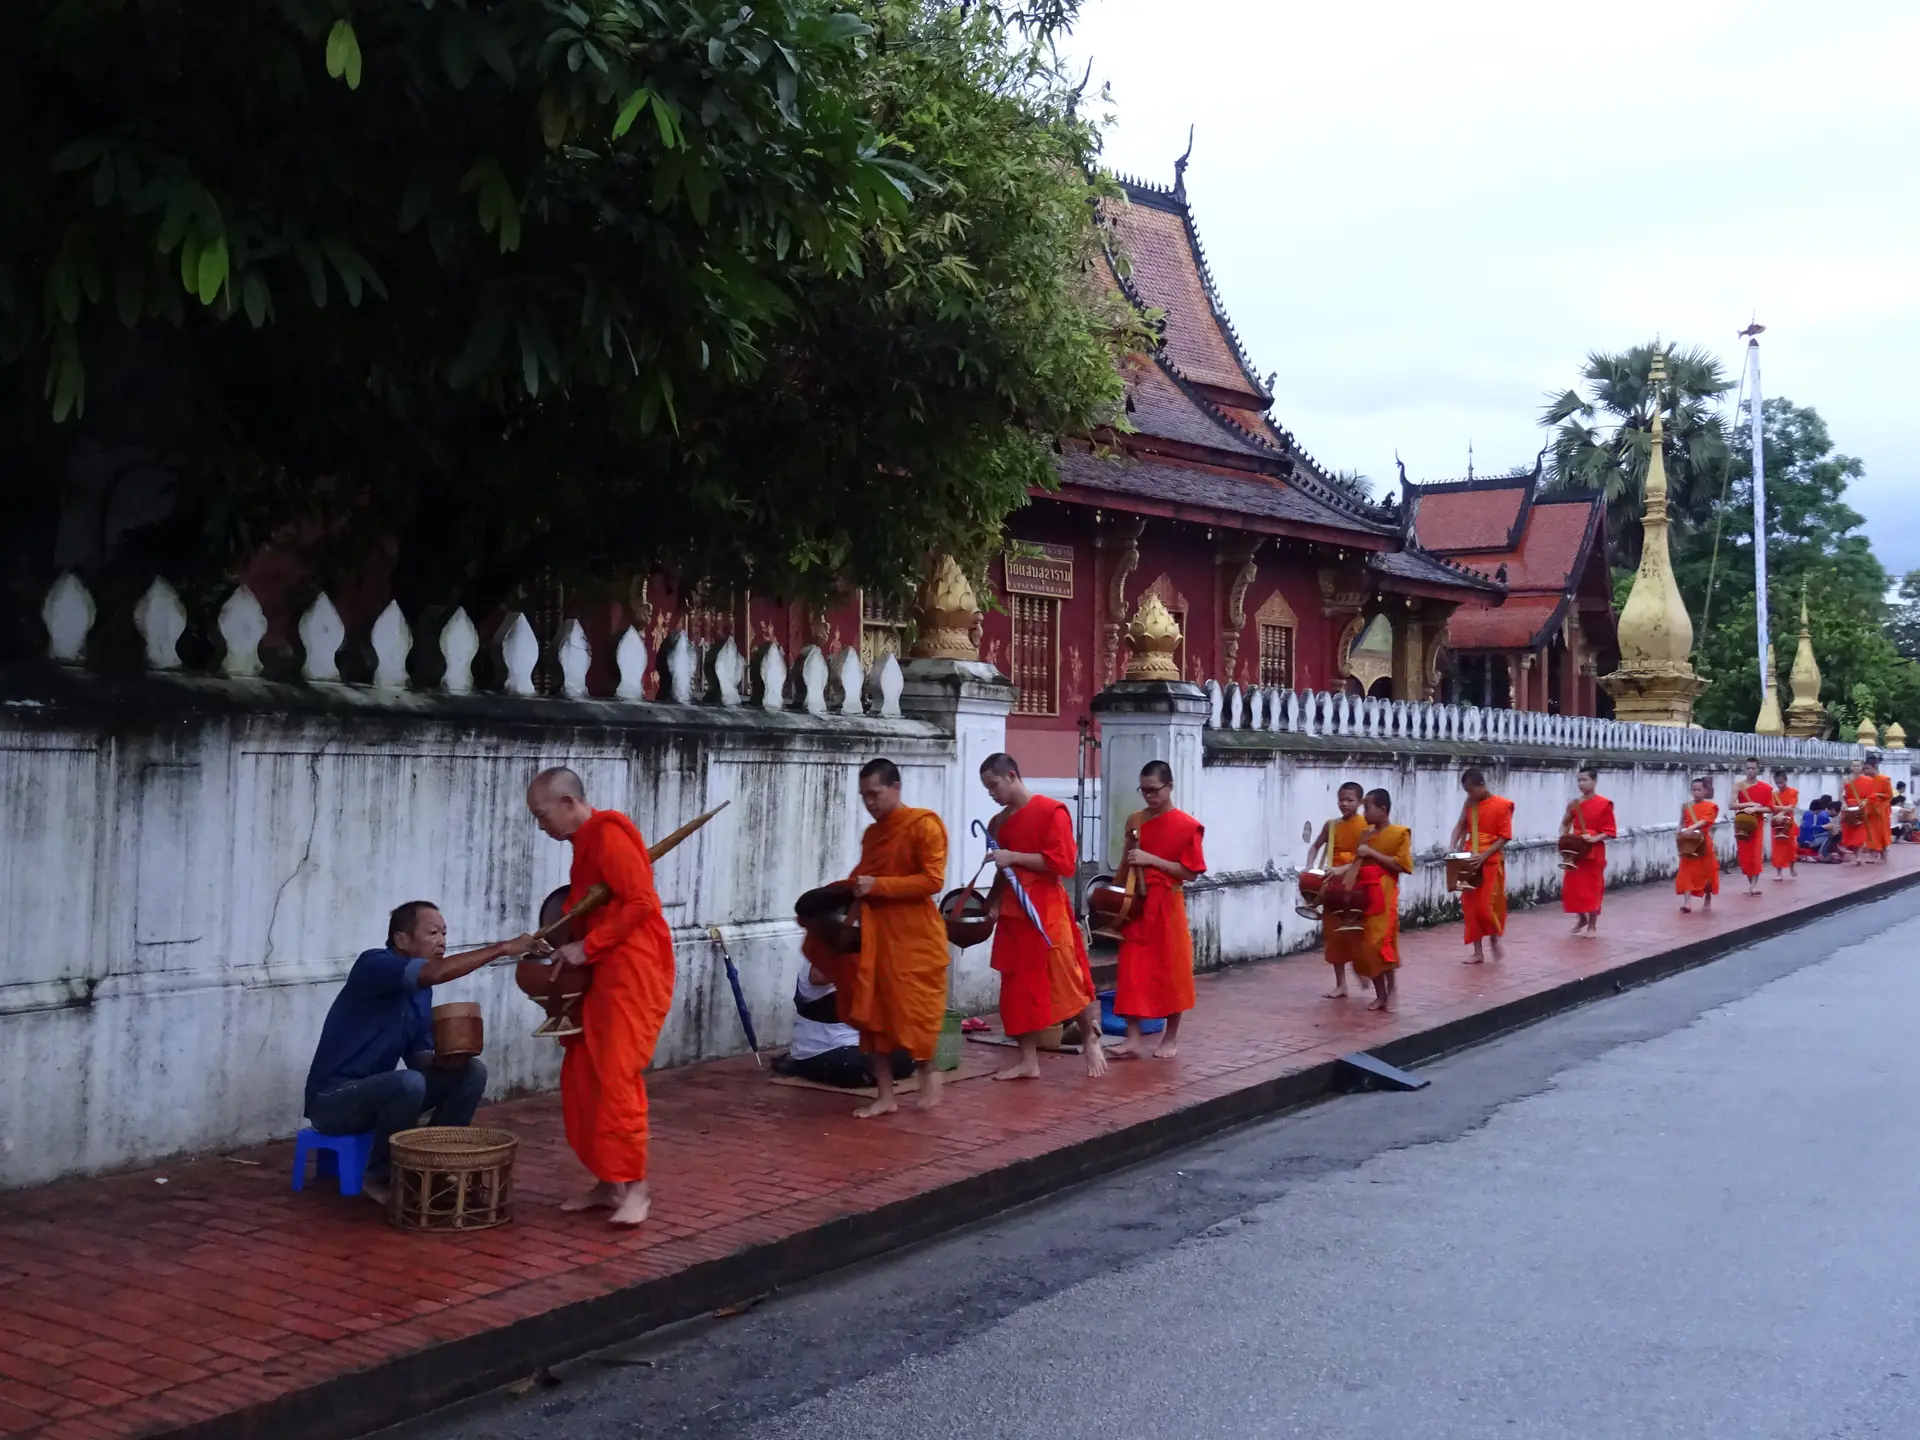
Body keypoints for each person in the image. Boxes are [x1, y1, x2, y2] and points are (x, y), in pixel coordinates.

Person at [304, 902, 546, 1204]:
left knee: (471, 1072)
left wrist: (445, 1060)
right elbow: (435, 973)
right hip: (332, 1102)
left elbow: (417, 1054)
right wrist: (501, 948)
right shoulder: (373, 964)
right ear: (402, 939)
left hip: (381, 1095)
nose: (442, 941)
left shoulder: (421, 988)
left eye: (444, 933)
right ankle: (382, 1175)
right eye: (432, 933)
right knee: (408, 1083)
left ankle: (436, 1165)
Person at [527, 767, 676, 1228]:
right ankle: (606, 1180)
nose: (541, 825)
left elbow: (642, 905)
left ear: (568, 802)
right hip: (600, 972)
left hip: (630, 971)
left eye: (542, 814)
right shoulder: (585, 843)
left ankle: (637, 1188)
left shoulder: (609, 837)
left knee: (614, 1076)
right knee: (582, 1075)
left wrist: (587, 946)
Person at [804, 757, 952, 1118]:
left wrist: (878, 885)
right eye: (864, 796)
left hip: (914, 937)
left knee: (917, 1013)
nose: (870, 803)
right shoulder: (872, 835)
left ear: (896, 788)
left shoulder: (924, 826)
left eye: (876, 794)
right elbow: (863, 880)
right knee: (873, 1017)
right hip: (876, 937)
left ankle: (928, 1073)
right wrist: (831, 904)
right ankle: (885, 1095)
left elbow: (933, 881)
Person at [978, 752, 1107, 1082]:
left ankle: (1091, 1039)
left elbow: (1062, 863)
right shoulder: (999, 823)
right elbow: (1002, 872)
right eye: (987, 789)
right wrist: (991, 905)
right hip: (1013, 912)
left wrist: (1014, 856)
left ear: (1011, 776)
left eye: (994, 785)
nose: (992, 794)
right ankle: (1027, 1060)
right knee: (1016, 988)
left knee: (1064, 978)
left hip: (1045, 909)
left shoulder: (1052, 811)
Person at [1111, 760, 1206, 1059]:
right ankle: (1133, 1037)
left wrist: (1152, 860)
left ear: (1169, 786)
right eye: (1144, 791)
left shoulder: (1187, 826)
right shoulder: (1135, 820)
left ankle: (1171, 1037)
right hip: (1138, 903)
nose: (1149, 796)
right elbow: (1126, 862)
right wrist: (1114, 901)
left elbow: (1190, 873)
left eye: (1154, 790)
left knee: (1171, 971)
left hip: (1167, 905)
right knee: (1131, 971)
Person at [771, 966, 914, 1089]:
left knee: (907, 1057)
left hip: (860, 1044)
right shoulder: (815, 969)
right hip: (822, 1050)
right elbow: (818, 976)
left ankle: (873, 1075)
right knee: (854, 1066)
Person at [1339, 788, 1413, 1012]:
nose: (1365, 812)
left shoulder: (1400, 833)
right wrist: (1341, 876)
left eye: (1367, 808)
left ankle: (1390, 990)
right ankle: (1381, 994)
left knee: (1379, 943)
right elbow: (1355, 864)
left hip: (1385, 894)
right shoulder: (1365, 835)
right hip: (1364, 895)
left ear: (1383, 809)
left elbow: (1401, 866)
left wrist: (1372, 854)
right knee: (1365, 945)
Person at [1304, 781, 1368, 998]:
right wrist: (1310, 868)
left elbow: (1365, 859)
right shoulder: (1331, 825)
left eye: (1350, 800)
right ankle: (1341, 984)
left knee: (1356, 932)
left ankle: (1361, 967)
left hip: (1356, 884)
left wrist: (1343, 869)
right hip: (1332, 885)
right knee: (1333, 936)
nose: (1344, 804)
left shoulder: (1366, 826)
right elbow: (1315, 846)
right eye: (1341, 800)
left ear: (1360, 802)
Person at [1449, 768, 1513, 964]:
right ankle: (1478, 952)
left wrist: (1484, 855)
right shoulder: (1470, 803)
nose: (1469, 795)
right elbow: (1461, 825)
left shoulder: (1502, 805)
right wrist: (1452, 847)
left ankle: (1494, 939)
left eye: (1471, 790)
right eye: (1467, 791)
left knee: (1487, 907)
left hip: (1491, 861)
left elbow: (1504, 838)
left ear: (1481, 785)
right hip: (1469, 859)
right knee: (1470, 908)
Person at [1559, 766, 1616, 936]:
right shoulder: (1574, 804)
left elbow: (1610, 830)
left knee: (1593, 888)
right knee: (1572, 889)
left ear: (1594, 781)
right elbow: (1564, 824)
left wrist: (1594, 839)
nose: (1581, 784)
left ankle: (1592, 925)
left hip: (1594, 851)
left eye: (1585, 780)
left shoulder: (1604, 804)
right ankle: (1580, 917)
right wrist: (1565, 839)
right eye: (1579, 780)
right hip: (1576, 852)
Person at [1676, 776, 1720, 913]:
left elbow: (1706, 821)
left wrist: (1692, 827)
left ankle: (1707, 899)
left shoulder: (1711, 806)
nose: (1696, 793)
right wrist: (1679, 834)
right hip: (1688, 842)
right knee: (1686, 872)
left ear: (1705, 791)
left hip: (1703, 842)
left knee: (1707, 873)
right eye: (1694, 790)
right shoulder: (1686, 806)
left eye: (1699, 790)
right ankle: (1687, 903)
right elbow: (1682, 822)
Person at [1732, 756, 1774, 896]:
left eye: (1753, 768)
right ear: (1744, 769)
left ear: (1758, 769)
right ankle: (1751, 882)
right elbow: (1731, 805)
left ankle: (1754, 885)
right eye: (1748, 768)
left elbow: (1770, 808)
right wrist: (1749, 805)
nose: (1750, 771)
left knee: (1755, 854)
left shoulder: (1765, 788)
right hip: (1741, 823)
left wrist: (1756, 809)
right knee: (1745, 856)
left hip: (1756, 823)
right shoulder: (1738, 786)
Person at [1855, 754, 1895, 862]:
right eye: (1864, 769)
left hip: (1880, 811)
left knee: (1881, 832)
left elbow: (1889, 795)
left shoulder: (1884, 779)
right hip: (1869, 810)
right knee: (1870, 832)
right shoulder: (1865, 780)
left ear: (1874, 767)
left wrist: (1877, 795)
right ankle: (1873, 854)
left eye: (1868, 768)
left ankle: (1883, 854)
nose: (1865, 771)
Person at [1769, 768, 1800, 879]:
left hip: (1788, 823)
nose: (1779, 785)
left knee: (1791, 847)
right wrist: (1781, 810)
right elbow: (1772, 807)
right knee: (1777, 848)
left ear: (1786, 780)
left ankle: (1792, 868)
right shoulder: (1773, 795)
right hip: (1777, 823)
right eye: (1777, 783)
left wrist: (1781, 811)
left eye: (1782, 782)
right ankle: (1779, 873)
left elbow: (1792, 806)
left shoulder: (1793, 792)